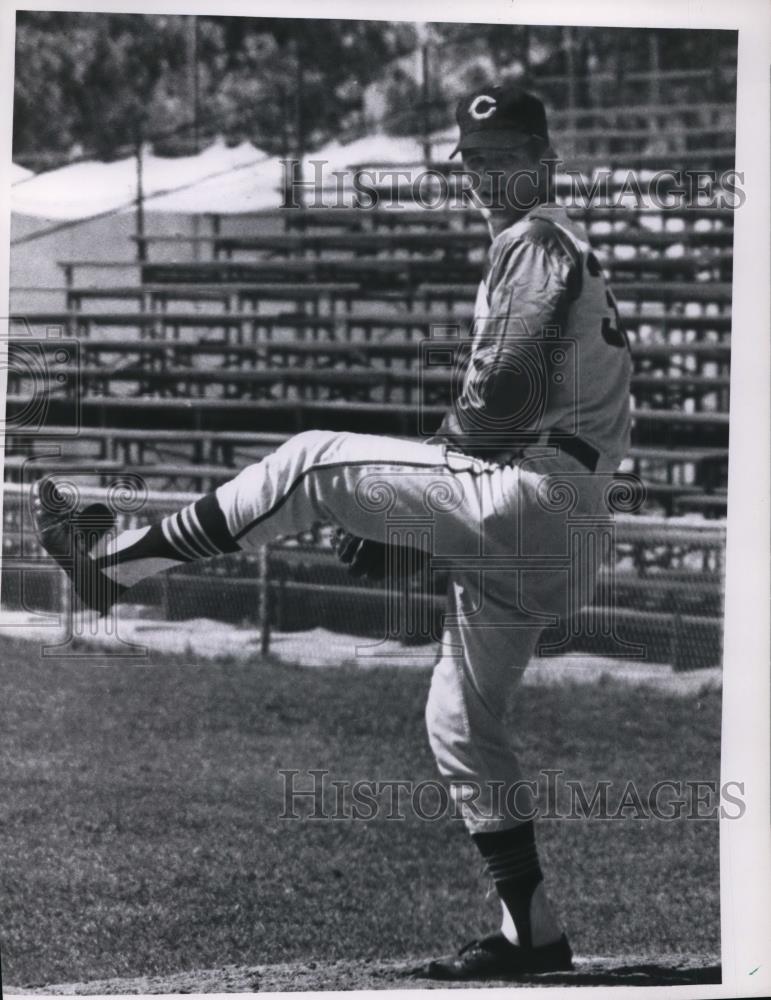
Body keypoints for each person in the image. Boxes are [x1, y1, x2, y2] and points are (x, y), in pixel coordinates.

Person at [33, 84, 631, 980]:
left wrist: (431, 486)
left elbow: (507, 384)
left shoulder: (536, 237)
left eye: (501, 156)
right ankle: (531, 932)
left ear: (543, 161)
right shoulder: (557, 247)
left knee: (311, 460)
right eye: (470, 160)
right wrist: (418, 518)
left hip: (534, 491)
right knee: (460, 721)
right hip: (561, 530)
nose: (480, 176)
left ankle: (112, 565)